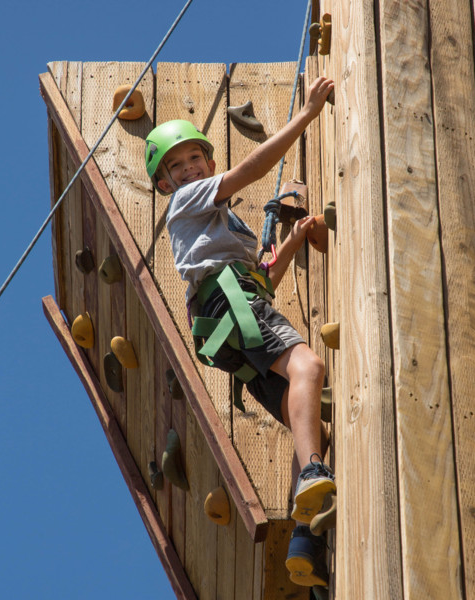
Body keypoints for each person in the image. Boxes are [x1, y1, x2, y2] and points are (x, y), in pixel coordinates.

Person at [145, 76, 336, 587]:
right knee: (309, 366)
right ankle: (312, 475)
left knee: (311, 427)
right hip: (232, 307)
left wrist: (290, 244)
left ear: (207, 162)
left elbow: (259, 283)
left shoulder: (221, 227)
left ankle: (305, 540)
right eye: (176, 166)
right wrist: (306, 116)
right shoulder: (187, 200)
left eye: (195, 158)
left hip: (231, 322)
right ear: (165, 184)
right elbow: (252, 169)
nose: (189, 168)